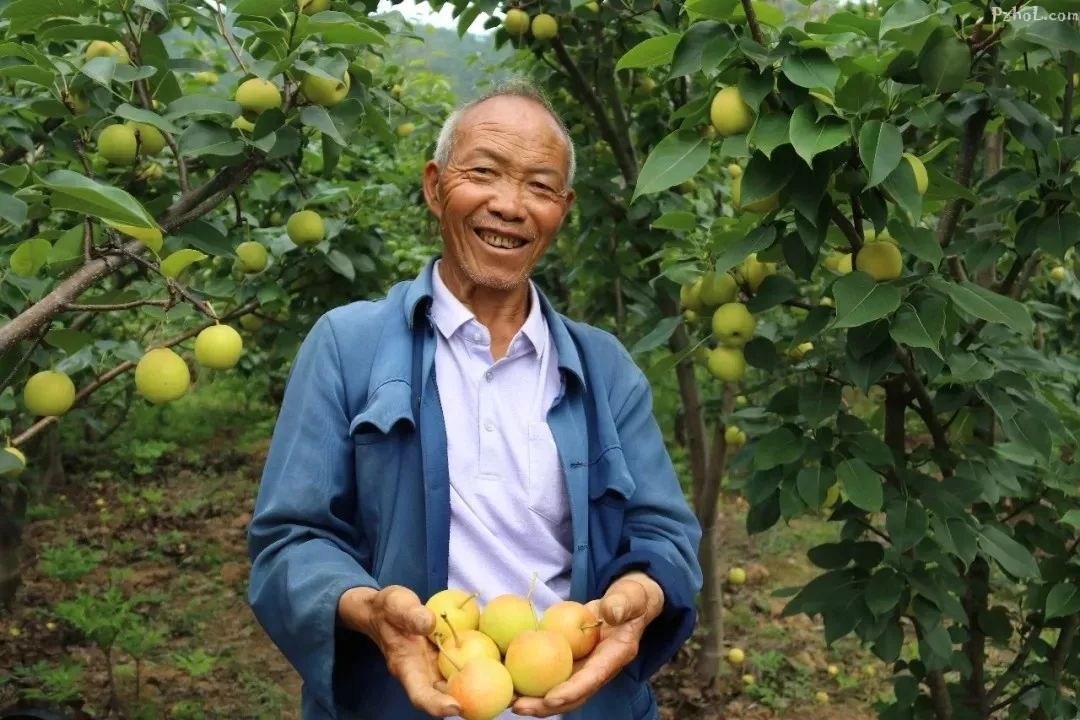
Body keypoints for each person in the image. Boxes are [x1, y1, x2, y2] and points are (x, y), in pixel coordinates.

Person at [247, 79, 703, 720]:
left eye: (540, 187)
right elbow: (291, 539)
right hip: (404, 701)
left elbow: (664, 531)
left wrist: (642, 592)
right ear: (436, 186)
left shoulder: (606, 369)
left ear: (562, 210)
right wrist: (369, 608)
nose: (511, 205)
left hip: (581, 702)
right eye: (484, 172)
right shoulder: (349, 346)